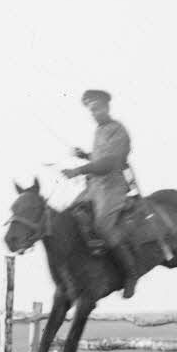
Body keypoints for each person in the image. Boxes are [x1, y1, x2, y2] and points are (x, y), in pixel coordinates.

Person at [61, 89, 139, 298]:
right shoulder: (99, 131)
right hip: (94, 186)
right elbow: (98, 158)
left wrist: (78, 170)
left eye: (97, 108)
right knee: (71, 214)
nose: (94, 113)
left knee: (102, 226)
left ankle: (131, 273)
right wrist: (84, 155)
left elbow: (109, 162)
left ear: (107, 107)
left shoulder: (118, 130)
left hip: (113, 186)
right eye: (91, 110)